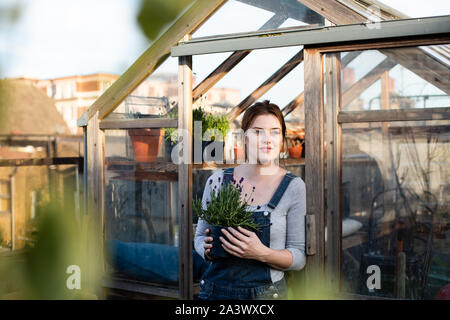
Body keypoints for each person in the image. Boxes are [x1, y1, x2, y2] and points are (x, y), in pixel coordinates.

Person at [194, 100, 306, 300]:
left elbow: (298, 257)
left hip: (266, 296)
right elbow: (200, 237)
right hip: (214, 293)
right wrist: (208, 250)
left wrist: (260, 252)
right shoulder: (218, 181)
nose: (267, 139)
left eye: (274, 131)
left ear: (282, 139)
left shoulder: (293, 186)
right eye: (257, 132)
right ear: (244, 138)